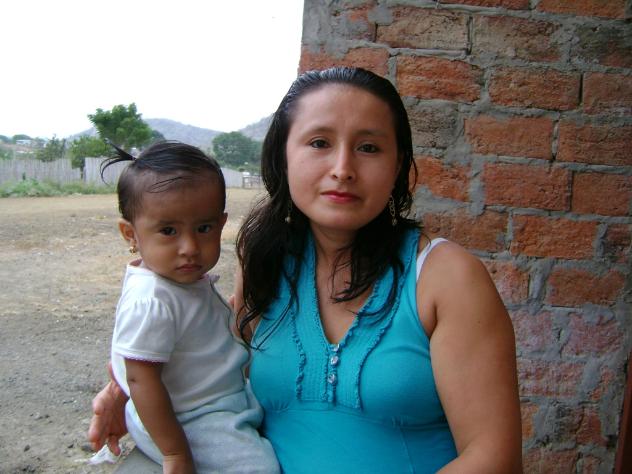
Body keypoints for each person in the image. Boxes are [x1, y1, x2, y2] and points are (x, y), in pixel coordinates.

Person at [90, 68, 523, 473]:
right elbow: (212, 362)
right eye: (319, 143)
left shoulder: (445, 277)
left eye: (369, 148)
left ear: (397, 167)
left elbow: (494, 458)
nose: (343, 169)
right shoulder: (266, 260)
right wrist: (123, 390)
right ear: (283, 157)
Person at [97, 141, 279, 474]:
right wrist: (175, 454)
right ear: (130, 234)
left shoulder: (180, 281)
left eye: (204, 228)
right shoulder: (151, 299)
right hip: (184, 419)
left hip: (215, 398)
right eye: (168, 231)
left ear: (221, 224)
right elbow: (140, 379)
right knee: (259, 467)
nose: (190, 247)